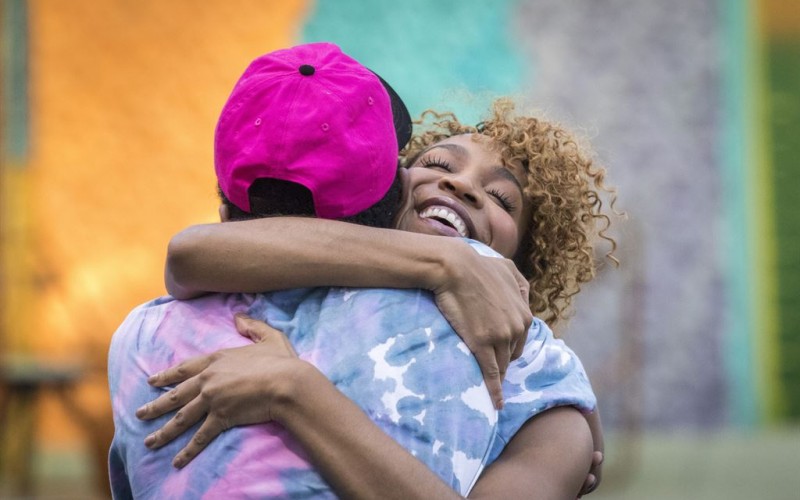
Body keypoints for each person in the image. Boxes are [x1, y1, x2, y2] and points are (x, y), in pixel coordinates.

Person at [109, 43, 609, 499]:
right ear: (389, 188)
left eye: (501, 197)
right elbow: (192, 252)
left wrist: (295, 391)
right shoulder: (301, 281)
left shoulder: (542, 387)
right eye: (439, 164)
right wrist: (448, 261)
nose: (461, 186)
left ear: (525, 264)